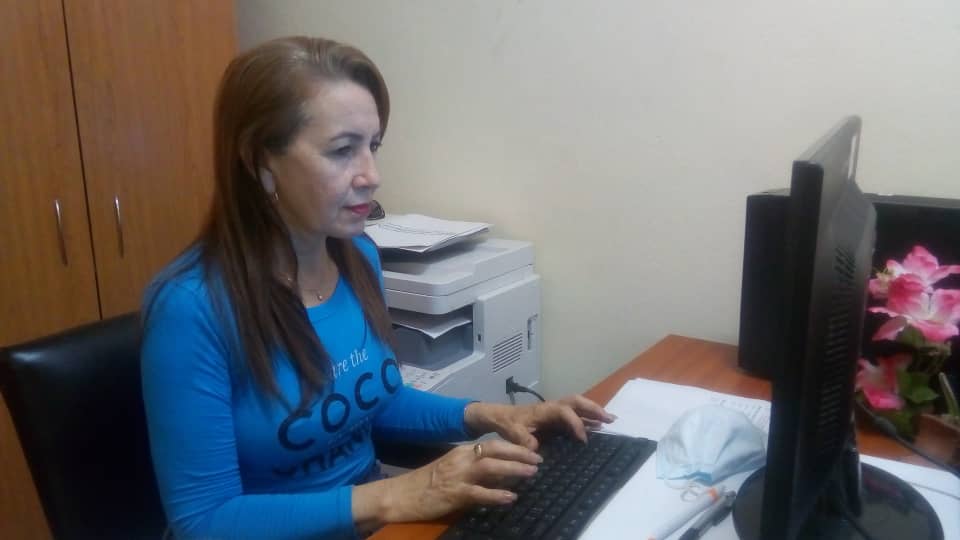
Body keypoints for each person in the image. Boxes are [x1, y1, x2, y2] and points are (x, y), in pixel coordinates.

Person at [140, 36, 614, 539]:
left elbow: (376, 404)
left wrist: (492, 416)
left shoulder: (357, 255)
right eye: (343, 150)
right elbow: (203, 522)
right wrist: (398, 494)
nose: (372, 175)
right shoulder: (192, 308)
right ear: (261, 161)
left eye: (373, 146)